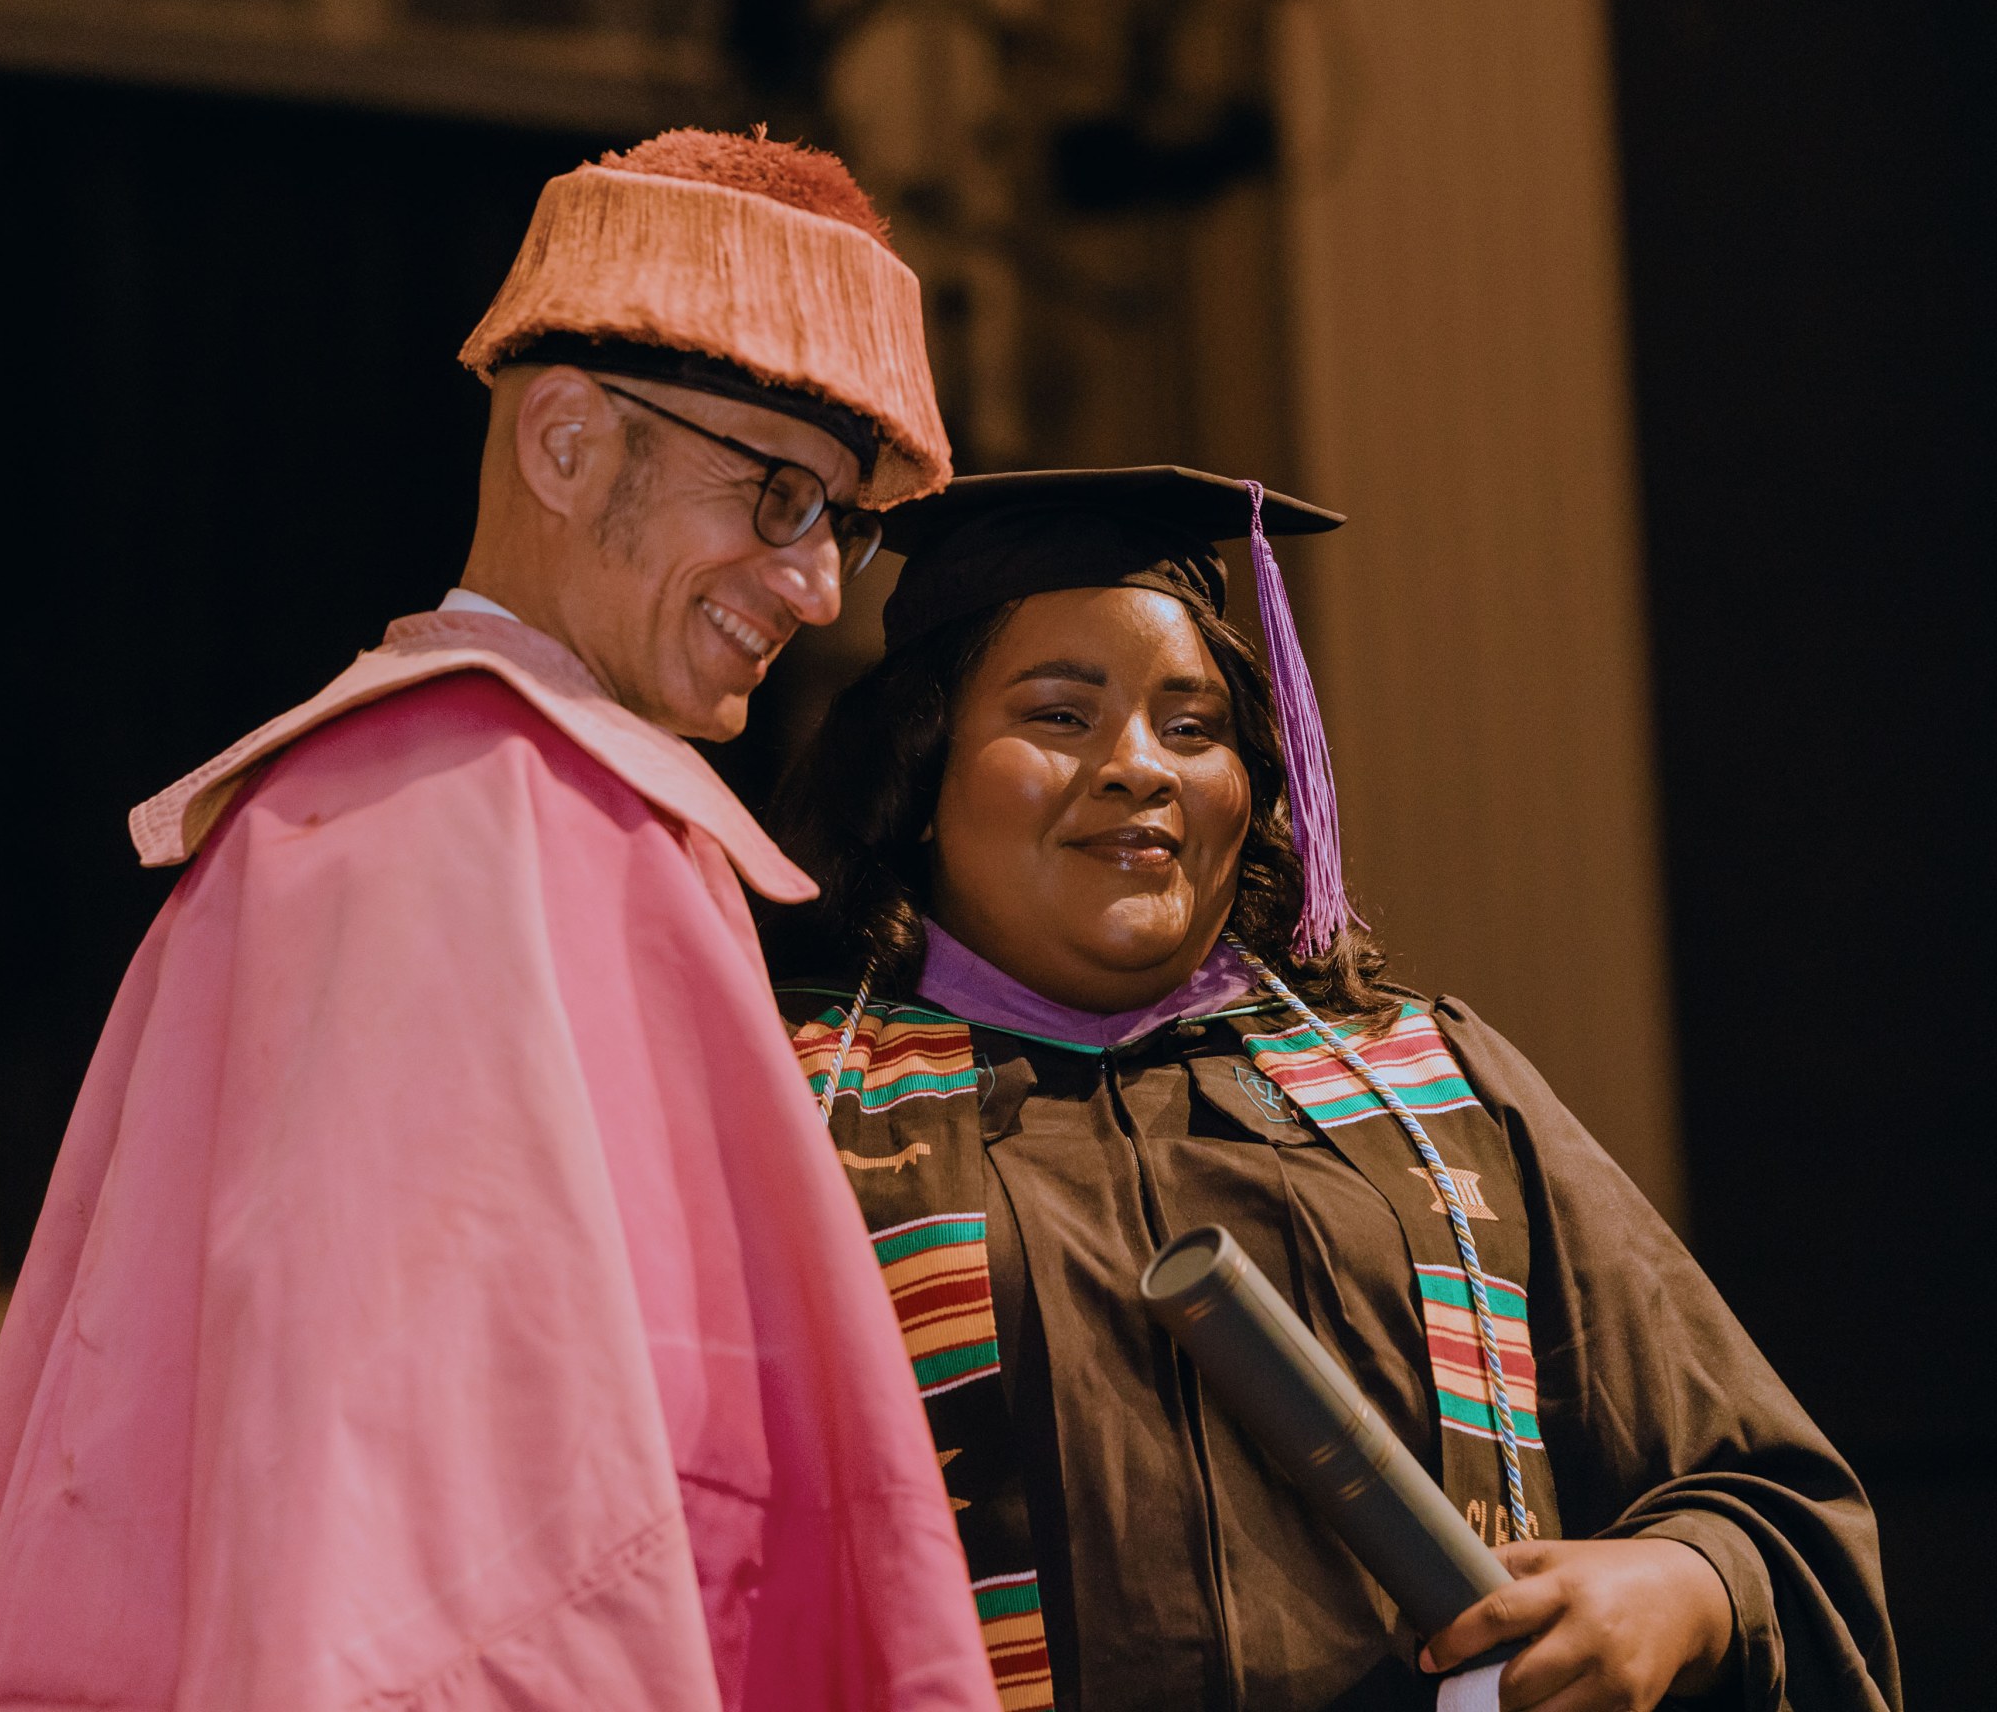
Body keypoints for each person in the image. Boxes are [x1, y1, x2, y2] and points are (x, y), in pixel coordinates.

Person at [0, 132, 1000, 1711]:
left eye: (841, 520)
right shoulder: (451, 815)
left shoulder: (477, 801)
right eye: (773, 495)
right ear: (563, 444)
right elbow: (438, 1570)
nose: (819, 584)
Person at [764, 468, 1901, 1712]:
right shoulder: (789, 1104)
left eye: (1192, 729)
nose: (1139, 769)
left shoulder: (1431, 1090)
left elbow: (1771, 1505)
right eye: (1060, 718)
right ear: (923, 772)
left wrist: (1679, 1585)